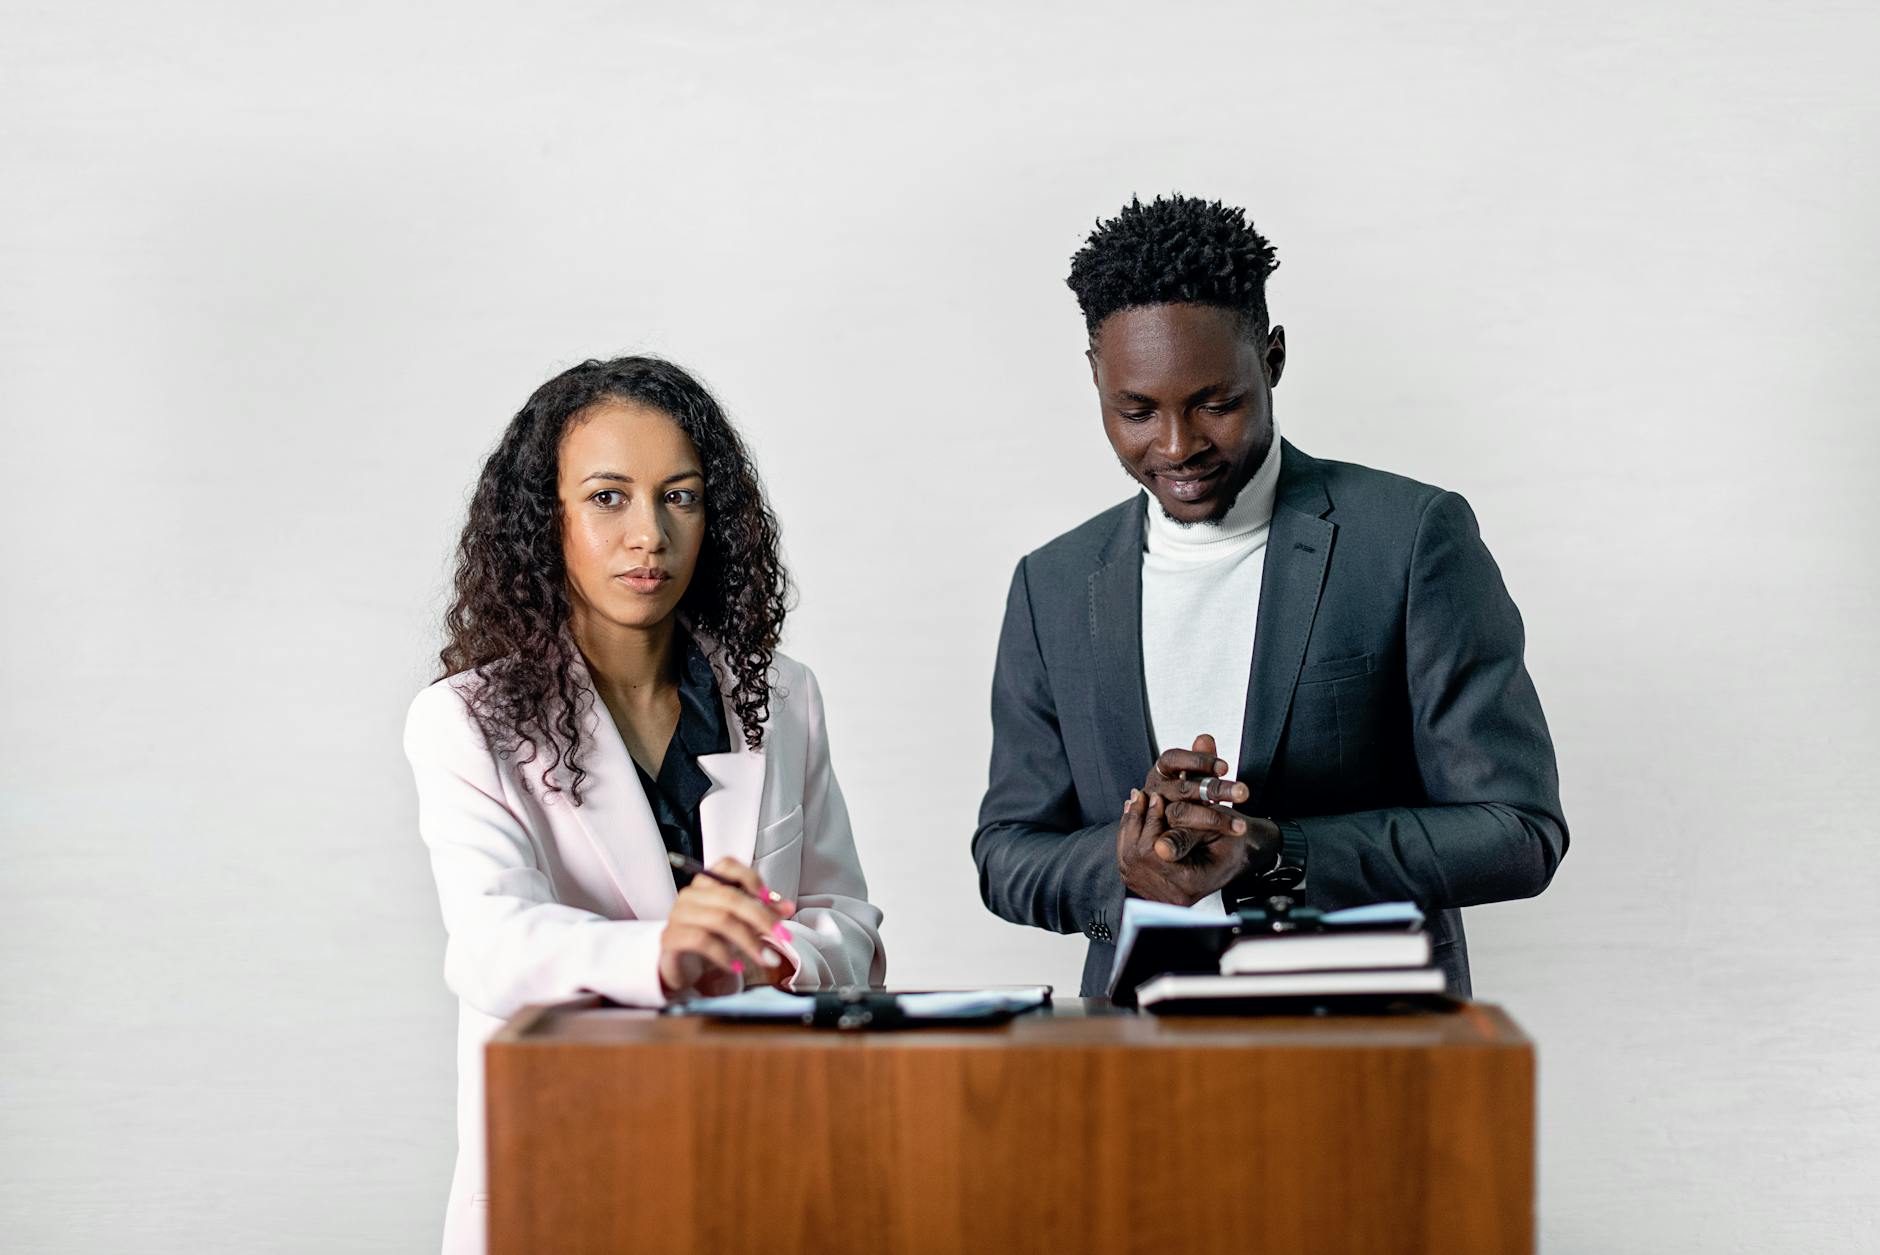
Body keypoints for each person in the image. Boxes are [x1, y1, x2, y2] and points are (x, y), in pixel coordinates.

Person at [972, 195, 1566, 998]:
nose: (1177, 446)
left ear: (1273, 359)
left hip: (1367, 1049)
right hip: (1131, 1063)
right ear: (1095, 380)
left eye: (1216, 403)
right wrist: (1125, 858)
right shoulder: (1053, 584)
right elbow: (1007, 853)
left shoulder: (1411, 537)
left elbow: (1520, 831)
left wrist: (1277, 853)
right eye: (1136, 410)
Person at [404, 356, 885, 1255]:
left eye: (681, 496)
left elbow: (849, 919)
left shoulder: (782, 697)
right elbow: (491, 945)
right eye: (608, 497)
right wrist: (667, 951)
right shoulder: (464, 720)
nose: (649, 535)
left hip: (764, 1164)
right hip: (570, 1173)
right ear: (545, 519)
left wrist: (771, 953)